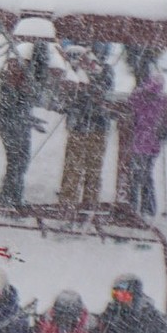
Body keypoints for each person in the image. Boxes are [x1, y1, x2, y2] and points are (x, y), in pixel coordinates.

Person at [0, 30, 53, 210]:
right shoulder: (17, 70)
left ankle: (11, 197)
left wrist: (30, 119)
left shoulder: (27, 71)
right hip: (10, 119)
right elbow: (12, 102)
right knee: (17, 160)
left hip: (16, 118)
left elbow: (25, 100)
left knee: (20, 160)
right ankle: (10, 199)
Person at [56, 47, 113, 213]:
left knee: (92, 171)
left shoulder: (105, 71)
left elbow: (104, 91)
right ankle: (67, 206)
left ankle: (88, 207)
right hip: (79, 127)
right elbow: (66, 98)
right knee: (73, 170)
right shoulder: (74, 73)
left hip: (96, 128)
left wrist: (89, 84)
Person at [123, 60, 167, 218]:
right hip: (150, 143)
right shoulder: (162, 100)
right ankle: (146, 207)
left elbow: (130, 106)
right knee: (144, 174)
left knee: (138, 175)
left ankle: (136, 205)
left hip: (141, 141)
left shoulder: (141, 96)